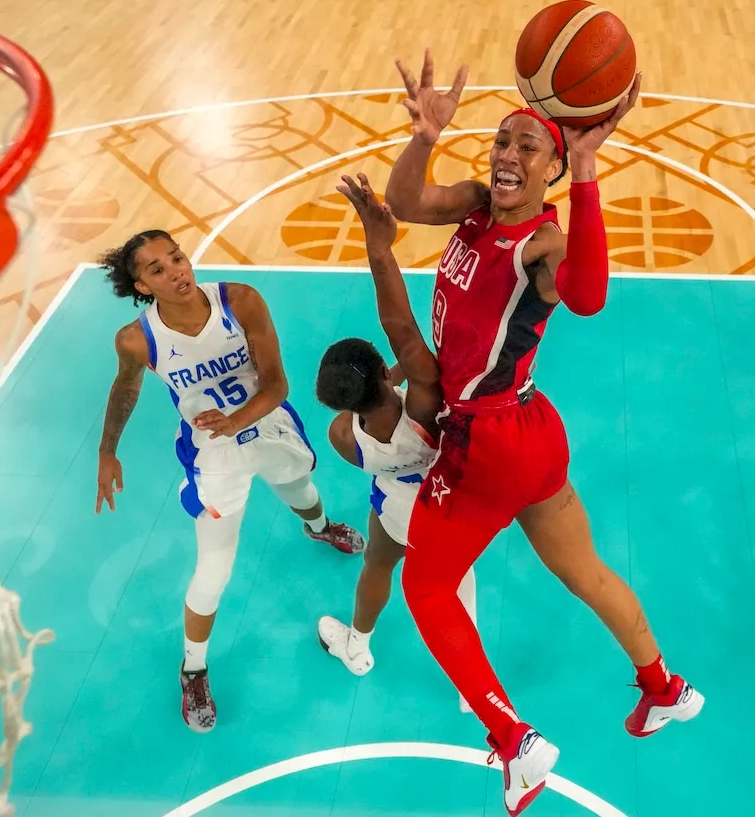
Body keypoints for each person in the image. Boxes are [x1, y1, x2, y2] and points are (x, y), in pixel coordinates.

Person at [359, 49, 703, 816]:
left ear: (551, 169)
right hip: (530, 429)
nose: (509, 155)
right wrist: (425, 135)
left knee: (424, 583)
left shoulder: (544, 244)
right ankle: (664, 687)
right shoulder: (478, 204)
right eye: (503, 141)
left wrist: (587, 171)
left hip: (489, 443)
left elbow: (587, 296)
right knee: (585, 572)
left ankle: (514, 741)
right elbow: (405, 199)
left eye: (530, 148)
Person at [94, 229, 365, 734]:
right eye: (157, 269)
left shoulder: (239, 301)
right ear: (142, 284)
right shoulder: (136, 339)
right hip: (212, 454)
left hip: (266, 423)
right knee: (213, 571)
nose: (175, 270)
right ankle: (192, 668)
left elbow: (278, 383)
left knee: (302, 491)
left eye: (176, 257)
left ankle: (319, 527)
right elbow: (125, 387)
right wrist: (107, 451)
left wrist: (238, 420)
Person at [313, 338, 477, 714]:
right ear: (385, 373)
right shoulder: (425, 406)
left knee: (378, 564)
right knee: (458, 586)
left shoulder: (340, 434)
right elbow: (421, 359)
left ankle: (356, 648)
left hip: (397, 511)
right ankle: (470, 687)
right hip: (452, 506)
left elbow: (378, 397)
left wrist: (387, 377)